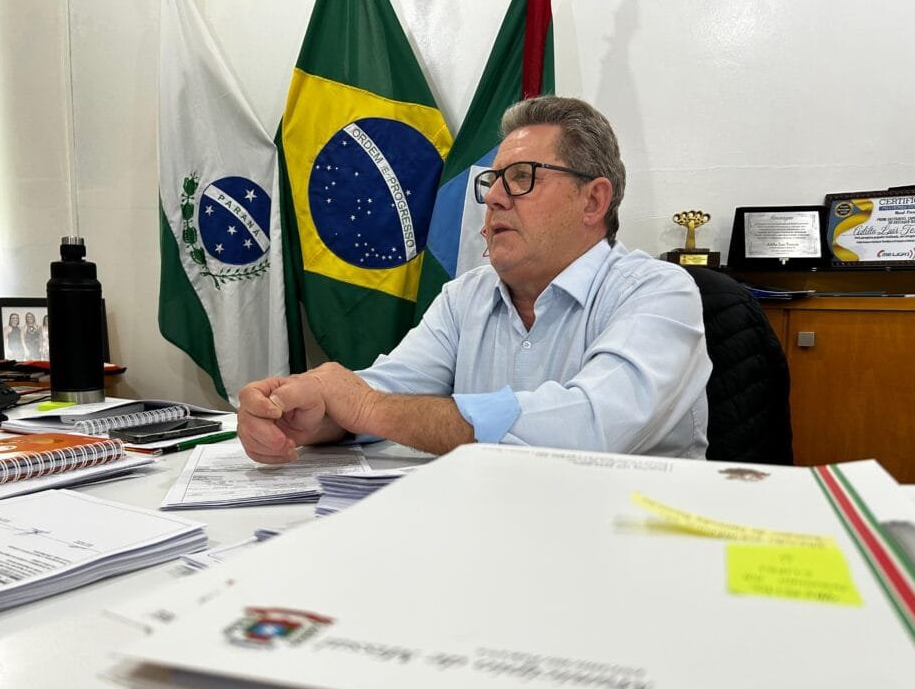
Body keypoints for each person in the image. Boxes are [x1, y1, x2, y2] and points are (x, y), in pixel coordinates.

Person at [238, 96, 712, 464]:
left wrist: (365, 408)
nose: (495, 198)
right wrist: (311, 410)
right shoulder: (466, 296)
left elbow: (590, 428)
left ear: (593, 201)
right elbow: (390, 388)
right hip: (486, 529)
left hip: (628, 540)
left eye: (522, 177)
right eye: (493, 180)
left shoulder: (658, 292)